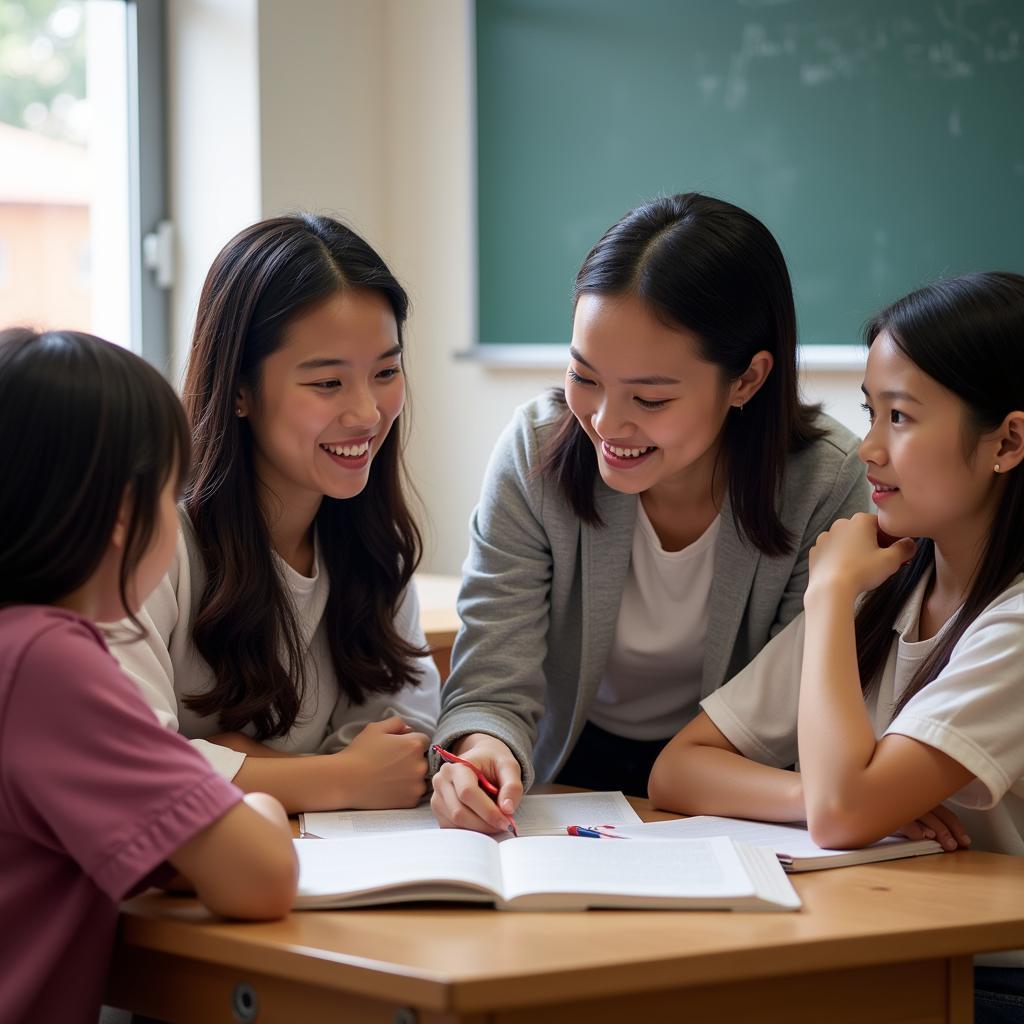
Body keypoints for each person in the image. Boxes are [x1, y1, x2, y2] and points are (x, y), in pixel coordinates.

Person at [648, 272, 1024, 1024]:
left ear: (1007, 441)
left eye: (902, 417)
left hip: (991, 981)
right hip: (879, 942)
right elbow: (679, 770)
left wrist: (825, 596)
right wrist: (808, 798)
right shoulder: (889, 585)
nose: (871, 448)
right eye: (869, 411)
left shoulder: (1009, 623)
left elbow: (845, 812)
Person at [431, 192, 870, 832]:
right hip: (557, 780)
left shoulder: (824, 484)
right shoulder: (537, 450)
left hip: (740, 794)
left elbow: (791, 712)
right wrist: (482, 752)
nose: (607, 422)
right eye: (585, 377)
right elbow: (492, 681)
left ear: (747, 380)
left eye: (650, 397)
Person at [0, 329, 297, 1024]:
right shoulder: (47, 665)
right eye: (174, 492)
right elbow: (262, 877)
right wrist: (257, 808)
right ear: (124, 516)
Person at [113, 215, 438, 812]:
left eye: (386, 373)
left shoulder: (370, 543)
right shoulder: (154, 542)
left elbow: (401, 741)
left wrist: (240, 760)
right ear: (238, 389)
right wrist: (337, 779)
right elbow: (127, 757)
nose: (367, 413)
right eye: (327, 383)